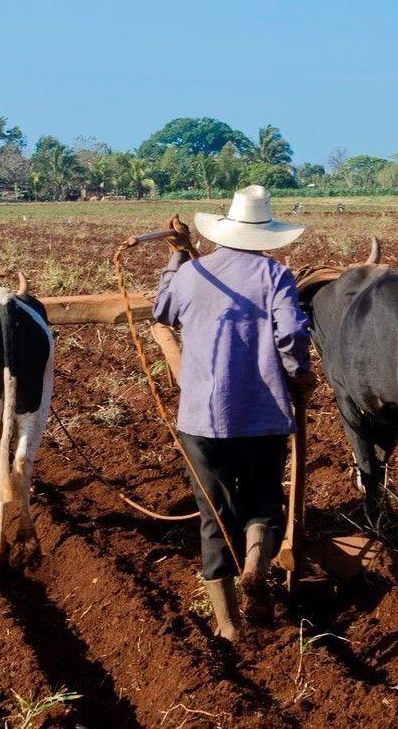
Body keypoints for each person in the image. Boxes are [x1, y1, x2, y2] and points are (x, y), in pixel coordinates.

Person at [152, 185, 316, 642]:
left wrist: (176, 259)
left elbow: (161, 311)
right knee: (263, 498)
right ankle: (256, 564)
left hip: (201, 419)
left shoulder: (192, 274)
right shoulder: (276, 276)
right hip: (262, 414)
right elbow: (290, 336)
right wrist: (298, 372)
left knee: (214, 513)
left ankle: (227, 624)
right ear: (266, 234)